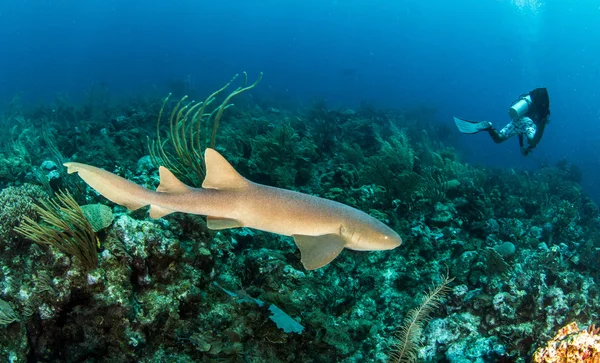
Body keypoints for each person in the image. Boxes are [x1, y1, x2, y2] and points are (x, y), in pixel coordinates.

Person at [454, 88, 551, 156]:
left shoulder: (530, 106)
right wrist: (543, 122)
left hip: (518, 119)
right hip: (527, 122)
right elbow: (529, 133)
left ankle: (489, 126)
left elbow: (520, 130)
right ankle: (488, 127)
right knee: (533, 142)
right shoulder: (538, 117)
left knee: (498, 139)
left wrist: (522, 146)